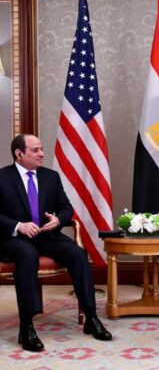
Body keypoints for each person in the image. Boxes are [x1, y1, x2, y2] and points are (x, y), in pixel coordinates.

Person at [0, 134, 112, 352]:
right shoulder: (2, 177)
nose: (42, 154)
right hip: (14, 239)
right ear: (19, 154)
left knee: (78, 253)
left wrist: (58, 219)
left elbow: (66, 208)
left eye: (41, 149)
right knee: (27, 254)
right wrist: (18, 226)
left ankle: (91, 317)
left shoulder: (51, 177)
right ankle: (26, 326)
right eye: (35, 150)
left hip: (46, 236)